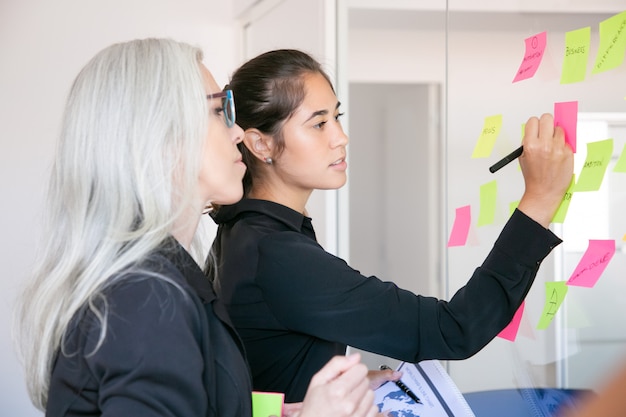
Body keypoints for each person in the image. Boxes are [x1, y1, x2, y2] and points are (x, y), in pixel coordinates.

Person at [13, 39, 379, 417]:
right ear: (162, 140)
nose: (238, 133)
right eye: (220, 111)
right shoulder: (147, 299)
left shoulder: (162, 280)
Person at [206, 48, 575, 403]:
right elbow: (455, 329)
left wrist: (316, 379)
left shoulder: (245, 232)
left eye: (337, 117)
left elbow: (263, 364)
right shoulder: (277, 254)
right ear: (259, 144)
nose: (340, 137)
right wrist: (539, 200)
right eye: (318, 124)